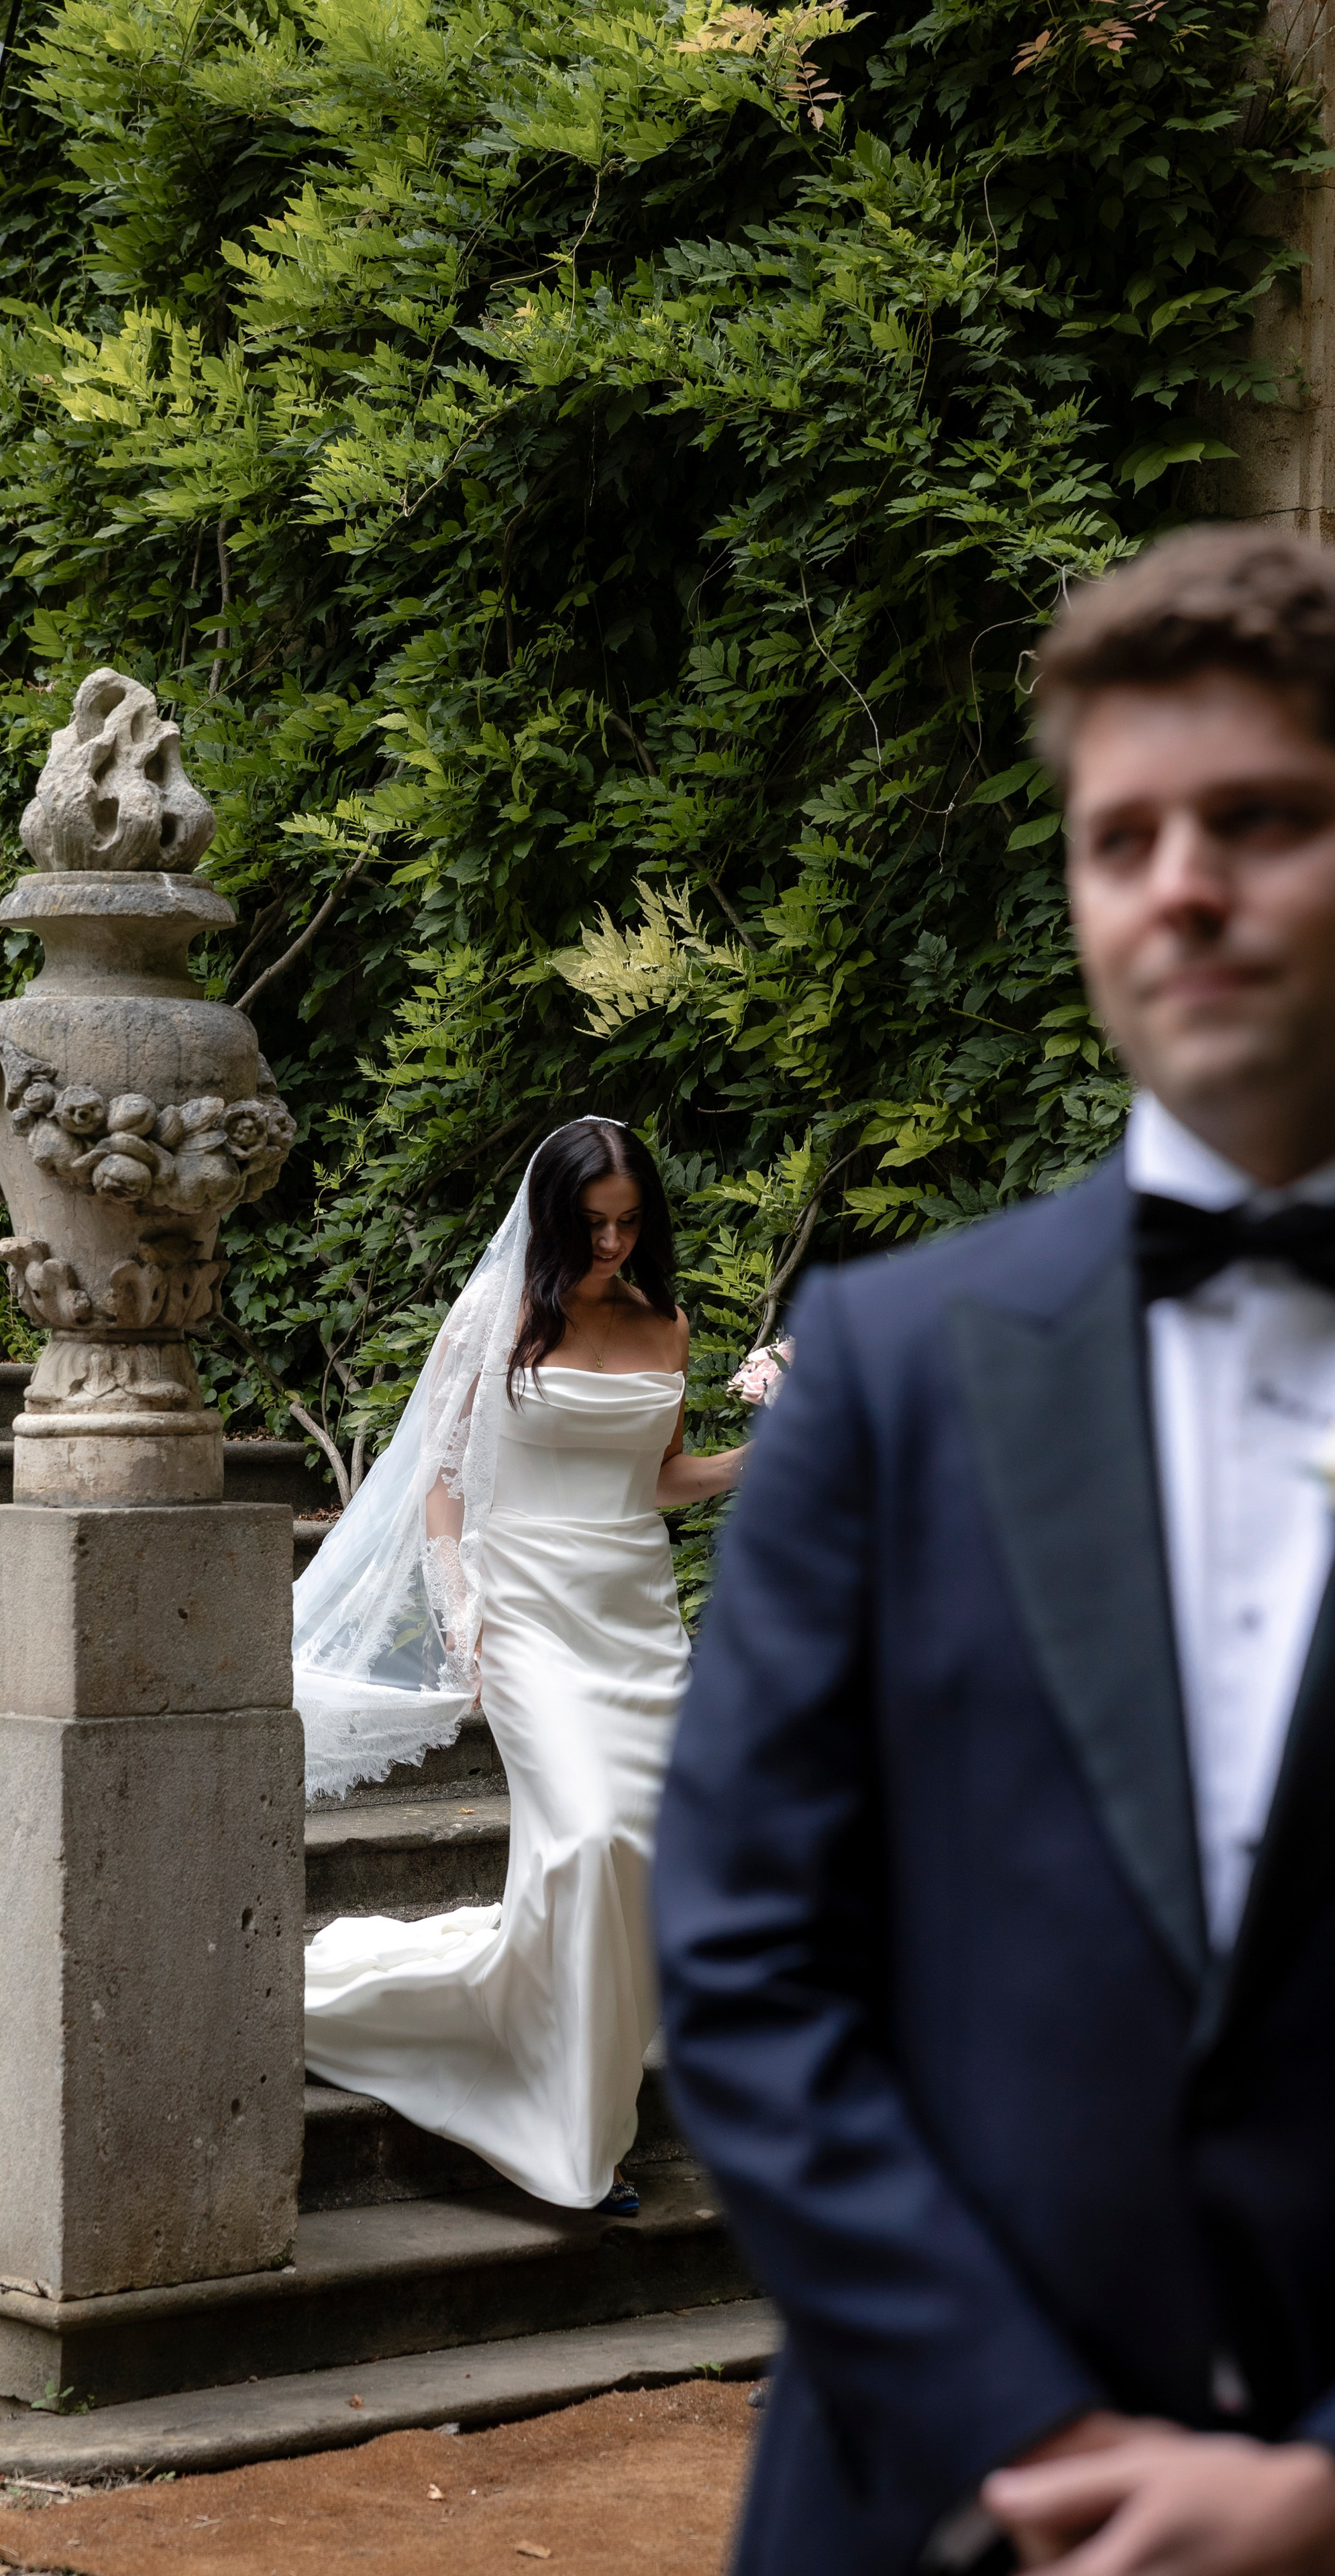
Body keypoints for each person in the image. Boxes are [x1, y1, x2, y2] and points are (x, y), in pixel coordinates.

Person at [655, 526, 1335, 2575]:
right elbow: (744, 1963)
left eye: (1261, 820)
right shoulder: (884, 1367)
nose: (1181, 886)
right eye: (1121, 840)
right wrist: (1026, 2441)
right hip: (935, 2513)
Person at [295, 1117, 745, 2210]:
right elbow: (440, 1473)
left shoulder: (666, 1323)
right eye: (592, 1224)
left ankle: (564, 2061)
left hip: (633, 1617)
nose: (612, 1244)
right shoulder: (496, 1317)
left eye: (631, 1224)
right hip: (527, 1614)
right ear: (552, 1219)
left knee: (635, 1852)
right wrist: (463, 1604)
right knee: (586, 1835)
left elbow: (660, 1477)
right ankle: (574, 2143)